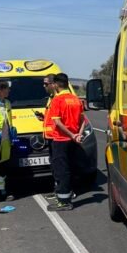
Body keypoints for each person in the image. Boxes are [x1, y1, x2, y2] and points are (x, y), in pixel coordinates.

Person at [48, 72, 86, 212]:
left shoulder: (57, 100)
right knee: (70, 167)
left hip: (60, 140)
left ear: (57, 85)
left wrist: (71, 134)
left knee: (61, 169)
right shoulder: (76, 99)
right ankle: (68, 196)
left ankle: (64, 201)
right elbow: (82, 119)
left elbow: (57, 122)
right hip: (73, 141)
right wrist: (78, 135)